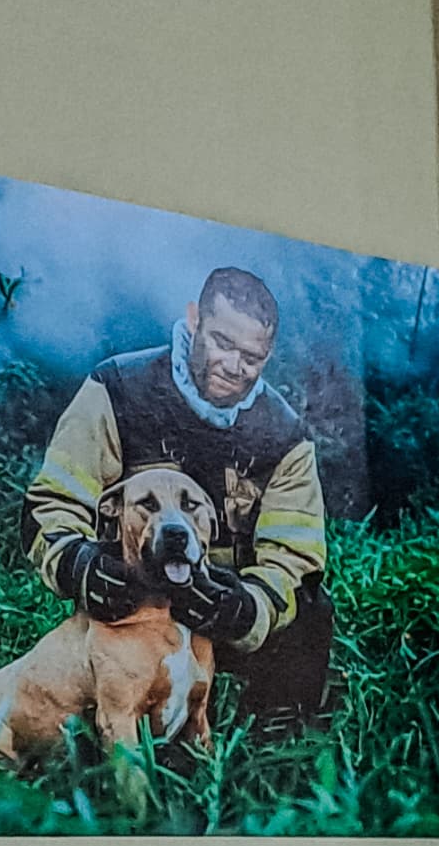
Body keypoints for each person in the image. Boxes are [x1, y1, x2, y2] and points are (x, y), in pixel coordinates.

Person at [30, 266, 330, 727]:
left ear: (268, 356)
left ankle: (278, 735)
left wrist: (245, 608)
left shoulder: (285, 435)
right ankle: (103, 723)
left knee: (312, 608)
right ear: (194, 320)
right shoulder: (118, 387)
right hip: (129, 600)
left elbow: (296, 558)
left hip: (222, 603)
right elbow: (51, 504)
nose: (233, 366)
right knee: (93, 715)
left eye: (251, 358)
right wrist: (80, 565)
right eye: (222, 343)